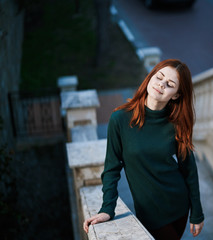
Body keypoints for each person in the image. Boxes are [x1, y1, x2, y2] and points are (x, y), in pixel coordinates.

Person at [83, 59, 204, 239]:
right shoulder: (120, 119)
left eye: (169, 84)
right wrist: (107, 209)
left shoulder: (176, 124)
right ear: (150, 78)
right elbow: (111, 169)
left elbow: (189, 170)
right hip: (149, 211)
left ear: (176, 95)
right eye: (159, 77)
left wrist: (197, 212)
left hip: (178, 205)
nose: (161, 85)